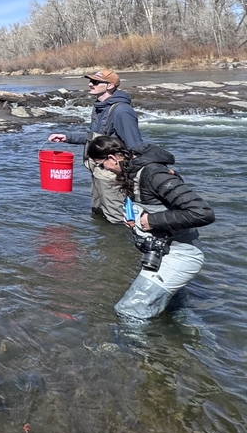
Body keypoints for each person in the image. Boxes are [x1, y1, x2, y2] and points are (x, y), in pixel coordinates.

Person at [87, 135, 214, 319]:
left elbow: (202, 212)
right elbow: (157, 206)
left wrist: (152, 221)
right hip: (163, 253)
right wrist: (135, 221)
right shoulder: (132, 173)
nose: (103, 169)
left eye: (101, 164)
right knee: (174, 314)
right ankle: (188, 340)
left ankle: (132, 349)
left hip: (180, 256)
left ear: (112, 158)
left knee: (129, 310)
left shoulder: (153, 174)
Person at [47, 70, 144, 224]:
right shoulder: (99, 107)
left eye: (96, 82)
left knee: (117, 219)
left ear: (110, 85)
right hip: (98, 171)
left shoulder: (121, 111)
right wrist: (68, 137)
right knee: (98, 214)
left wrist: (136, 176)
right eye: (91, 81)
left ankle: (121, 246)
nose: (90, 84)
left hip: (113, 174)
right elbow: (95, 137)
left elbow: (136, 146)